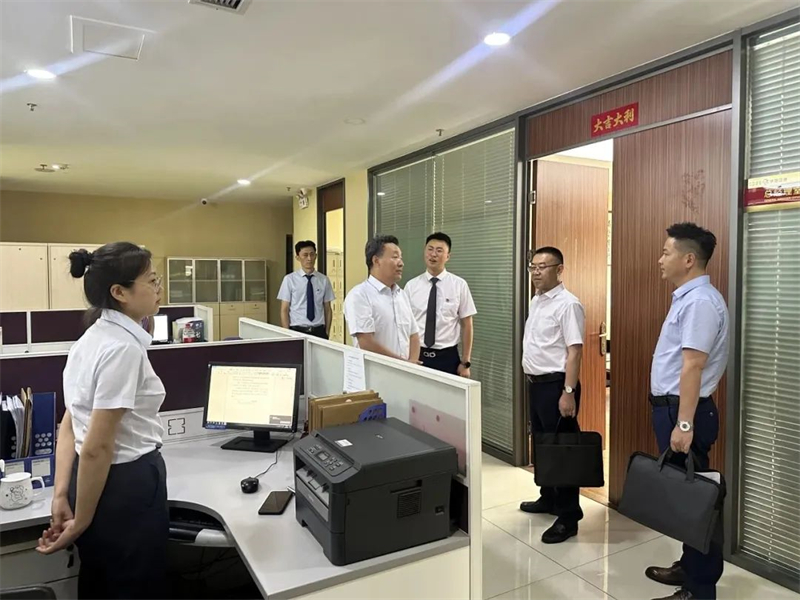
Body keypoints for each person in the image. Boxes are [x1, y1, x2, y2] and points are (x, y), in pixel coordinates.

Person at [36, 242, 169, 600]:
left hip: (89, 481)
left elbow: (70, 421)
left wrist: (61, 494)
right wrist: (80, 522)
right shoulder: (122, 349)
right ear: (119, 292)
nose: (159, 288)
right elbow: (97, 446)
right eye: (152, 281)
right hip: (125, 485)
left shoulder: (90, 340)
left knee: (101, 580)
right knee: (135, 586)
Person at [646, 223, 729, 600]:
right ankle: (689, 565)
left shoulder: (699, 302)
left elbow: (693, 365)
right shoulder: (688, 298)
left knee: (697, 503)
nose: (660, 259)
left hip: (685, 413)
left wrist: (683, 422)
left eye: (666, 253)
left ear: (689, 259)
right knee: (685, 497)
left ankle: (699, 588)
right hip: (676, 410)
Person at [519, 246, 585, 544]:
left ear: (559, 270)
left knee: (562, 451)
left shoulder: (568, 304)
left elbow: (575, 351)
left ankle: (569, 517)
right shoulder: (537, 300)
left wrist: (568, 392)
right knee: (543, 445)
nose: (536, 272)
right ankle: (549, 497)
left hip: (557, 385)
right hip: (537, 384)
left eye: (542, 267)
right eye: (533, 266)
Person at [405, 232, 476, 376]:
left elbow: (467, 325)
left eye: (439, 250)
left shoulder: (459, 285)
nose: (433, 254)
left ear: (448, 256)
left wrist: (465, 362)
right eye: (430, 249)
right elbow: (404, 324)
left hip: (447, 357)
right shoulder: (411, 286)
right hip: (417, 355)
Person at [343, 235, 420, 362]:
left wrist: (412, 364)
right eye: (395, 257)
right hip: (376, 371)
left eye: (401, 258)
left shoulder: (402, 295)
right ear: (376, 261)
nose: (401, 263)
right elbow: (366, 343)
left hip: (406, 371)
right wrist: (403, 364)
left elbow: (414, 335)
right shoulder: (359, 295)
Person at [278, 240, 335, 339]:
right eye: (305, 255)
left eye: (312, 254)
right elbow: (284, 309)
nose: (309, 258)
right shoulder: (289, 279)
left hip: (318, 331)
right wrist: (287, 334)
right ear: (297, 257)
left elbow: (328, 309)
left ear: (316, 256)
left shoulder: (324, 280)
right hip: (297, 330)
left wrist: (326, 332)